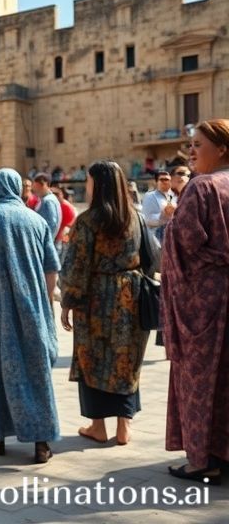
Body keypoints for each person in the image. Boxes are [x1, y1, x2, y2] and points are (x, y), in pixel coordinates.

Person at [0, 168, 60, 464]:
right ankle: (42, 442)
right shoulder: (37, 220)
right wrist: (47, 300)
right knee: (36, 366)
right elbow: (51, 268)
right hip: (33, 300)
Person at [60, 160, 148, 446]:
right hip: (130, 295)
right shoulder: (136, 217)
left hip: (95, 298)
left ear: (97, 185)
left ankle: (98, 426)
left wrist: (67, 301)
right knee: (125, 358)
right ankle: (124, 427)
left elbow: (76, 265)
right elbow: (149, 257)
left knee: (92, 358)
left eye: (88, 181)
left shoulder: (87, 221)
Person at [162, 119, 229, 485]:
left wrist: (171, 224)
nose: (191, 151)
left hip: (206, 300)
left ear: (220, 148)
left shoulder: (202, 187)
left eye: (198, 144)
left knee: (201, 379)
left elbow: (185, 242)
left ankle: (203, 460)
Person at [141, 170, 175, 241]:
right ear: (156, 182)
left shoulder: (175, 196)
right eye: (162, 180)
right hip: (157, 238)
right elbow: (147, 219)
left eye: (167, 179)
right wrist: (164, 215)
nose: (165, 182)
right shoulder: (150, 196)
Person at [32, 173, 62, 237]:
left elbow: (52, 224)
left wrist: (46, 242)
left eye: (36, 187)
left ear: (43, 185)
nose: (35, 190)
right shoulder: (46, 199)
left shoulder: (48, 201)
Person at [51, 186, 77, 254]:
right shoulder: (59, 205)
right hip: (57, 238)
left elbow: (71, 224)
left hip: (61, 240)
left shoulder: (66, 207)